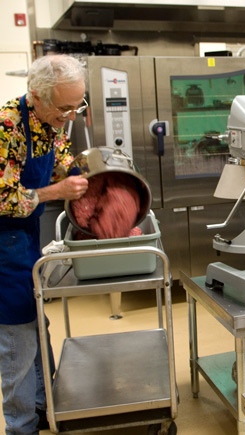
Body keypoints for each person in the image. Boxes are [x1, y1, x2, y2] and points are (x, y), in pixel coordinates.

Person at [0, 54, 89, 434]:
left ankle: (43, 405)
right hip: (3, 243)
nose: (70, 116)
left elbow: (62, 158)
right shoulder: (7, 127)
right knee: (16, 338)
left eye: (77, 106)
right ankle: (22, 427)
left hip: (26, 237)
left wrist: (81, 182)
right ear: (36, 96)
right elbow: (4, 198)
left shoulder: (50, 122)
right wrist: (56, 190)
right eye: (64, 108)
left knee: (37, 323)